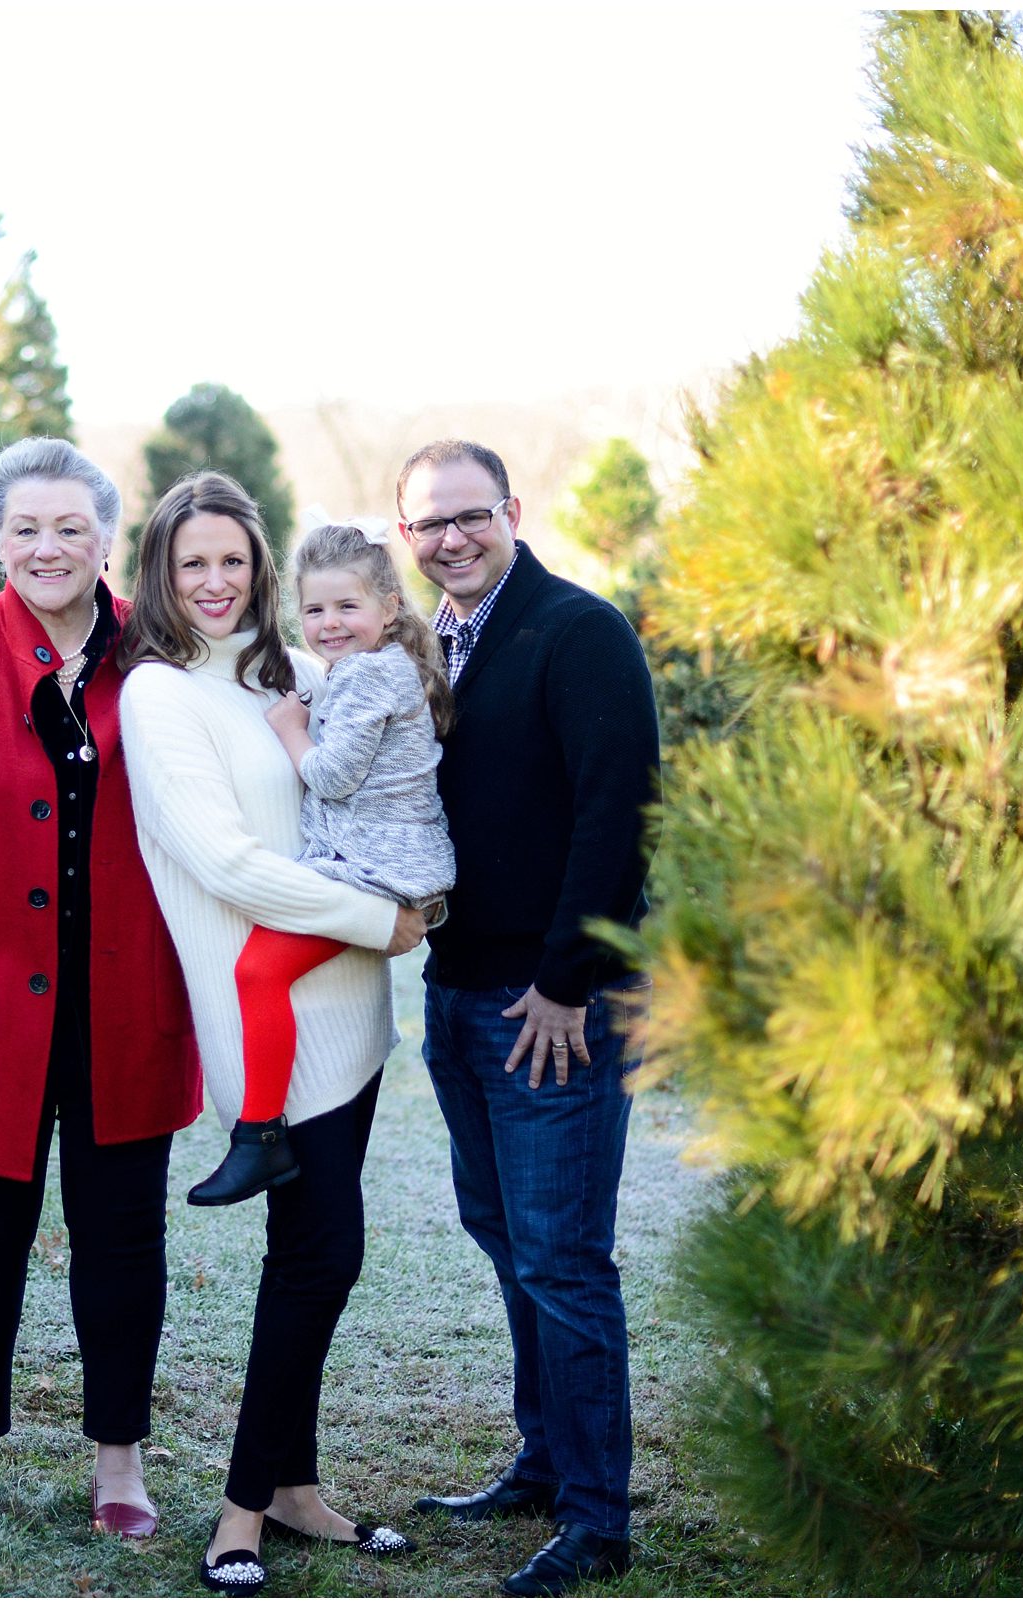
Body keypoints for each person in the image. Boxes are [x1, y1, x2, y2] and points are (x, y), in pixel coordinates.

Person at [0, 438, 201, 1538]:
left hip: (128, 1002)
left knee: (123, 1242)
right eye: (26, 529)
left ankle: (120, 1463)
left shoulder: (166, 653)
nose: (48, 548)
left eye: (71, 528)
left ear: (109, 537)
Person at [117, 472, 427, 1598]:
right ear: (162, 573)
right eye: (192, 562)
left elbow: (377, 794)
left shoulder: (304, 668)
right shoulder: (160, 695)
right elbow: (225, 862)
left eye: (233, 560)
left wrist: (399, 909)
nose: (215, 582)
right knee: (320, 1258)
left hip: (353, 1003)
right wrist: (383, 920)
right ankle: (240, 1515)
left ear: (262, 567)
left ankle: (294, 1488)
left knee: (310, 1254)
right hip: (273, 1020)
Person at [397, 440, 658, 1598]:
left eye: (470, 516)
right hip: (459, 991)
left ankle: (597, 1519)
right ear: (406, 537)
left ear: (511, 510)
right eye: (429, 524)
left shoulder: (577, 630)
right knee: (505, 1237)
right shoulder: (438, 643)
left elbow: (620, 812)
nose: (451, 539)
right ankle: (545, 1464)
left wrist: (564, 980)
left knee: (561, 1257)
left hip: (556, 1004)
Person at [186, 521, 455, 1208]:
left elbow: (333, 777)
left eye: (346, 606)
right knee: (261, 969)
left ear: (388, 607)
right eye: (314, 609)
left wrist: (290, 729)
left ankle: (259, 1136)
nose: (329, 623)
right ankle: (260, 1134)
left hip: (378, 870)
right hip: (376, 861)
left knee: (258, 970)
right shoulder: (376, 667)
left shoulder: (367, 675)